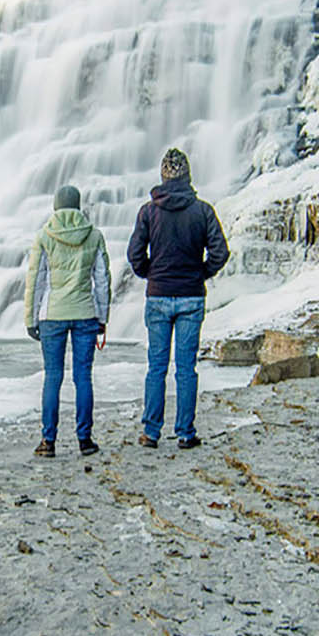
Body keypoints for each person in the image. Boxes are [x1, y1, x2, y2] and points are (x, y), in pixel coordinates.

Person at [127, 148, 229, 450]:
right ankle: (185, 432)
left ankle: (151, 432)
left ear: (162, 176)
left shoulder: (148, 212)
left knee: (156, 367)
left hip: (158, 296)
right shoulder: (203, 211)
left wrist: (151, 274)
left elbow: (134, 255)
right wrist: (200, 273)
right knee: (186, 368)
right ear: (188, 177)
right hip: (191, 297)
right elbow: (220, 252)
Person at [24, 184, 111, 457]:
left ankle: (48, 441)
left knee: (53, 377)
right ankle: (85, 440)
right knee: (83, 377)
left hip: (53, 315)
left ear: (55, 205)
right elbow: (102, 280)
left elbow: (36, 280)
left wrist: (30, 317)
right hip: (86, 312)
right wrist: (103, 317)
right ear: (79, 205)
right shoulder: (94, 235)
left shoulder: (43, 236)